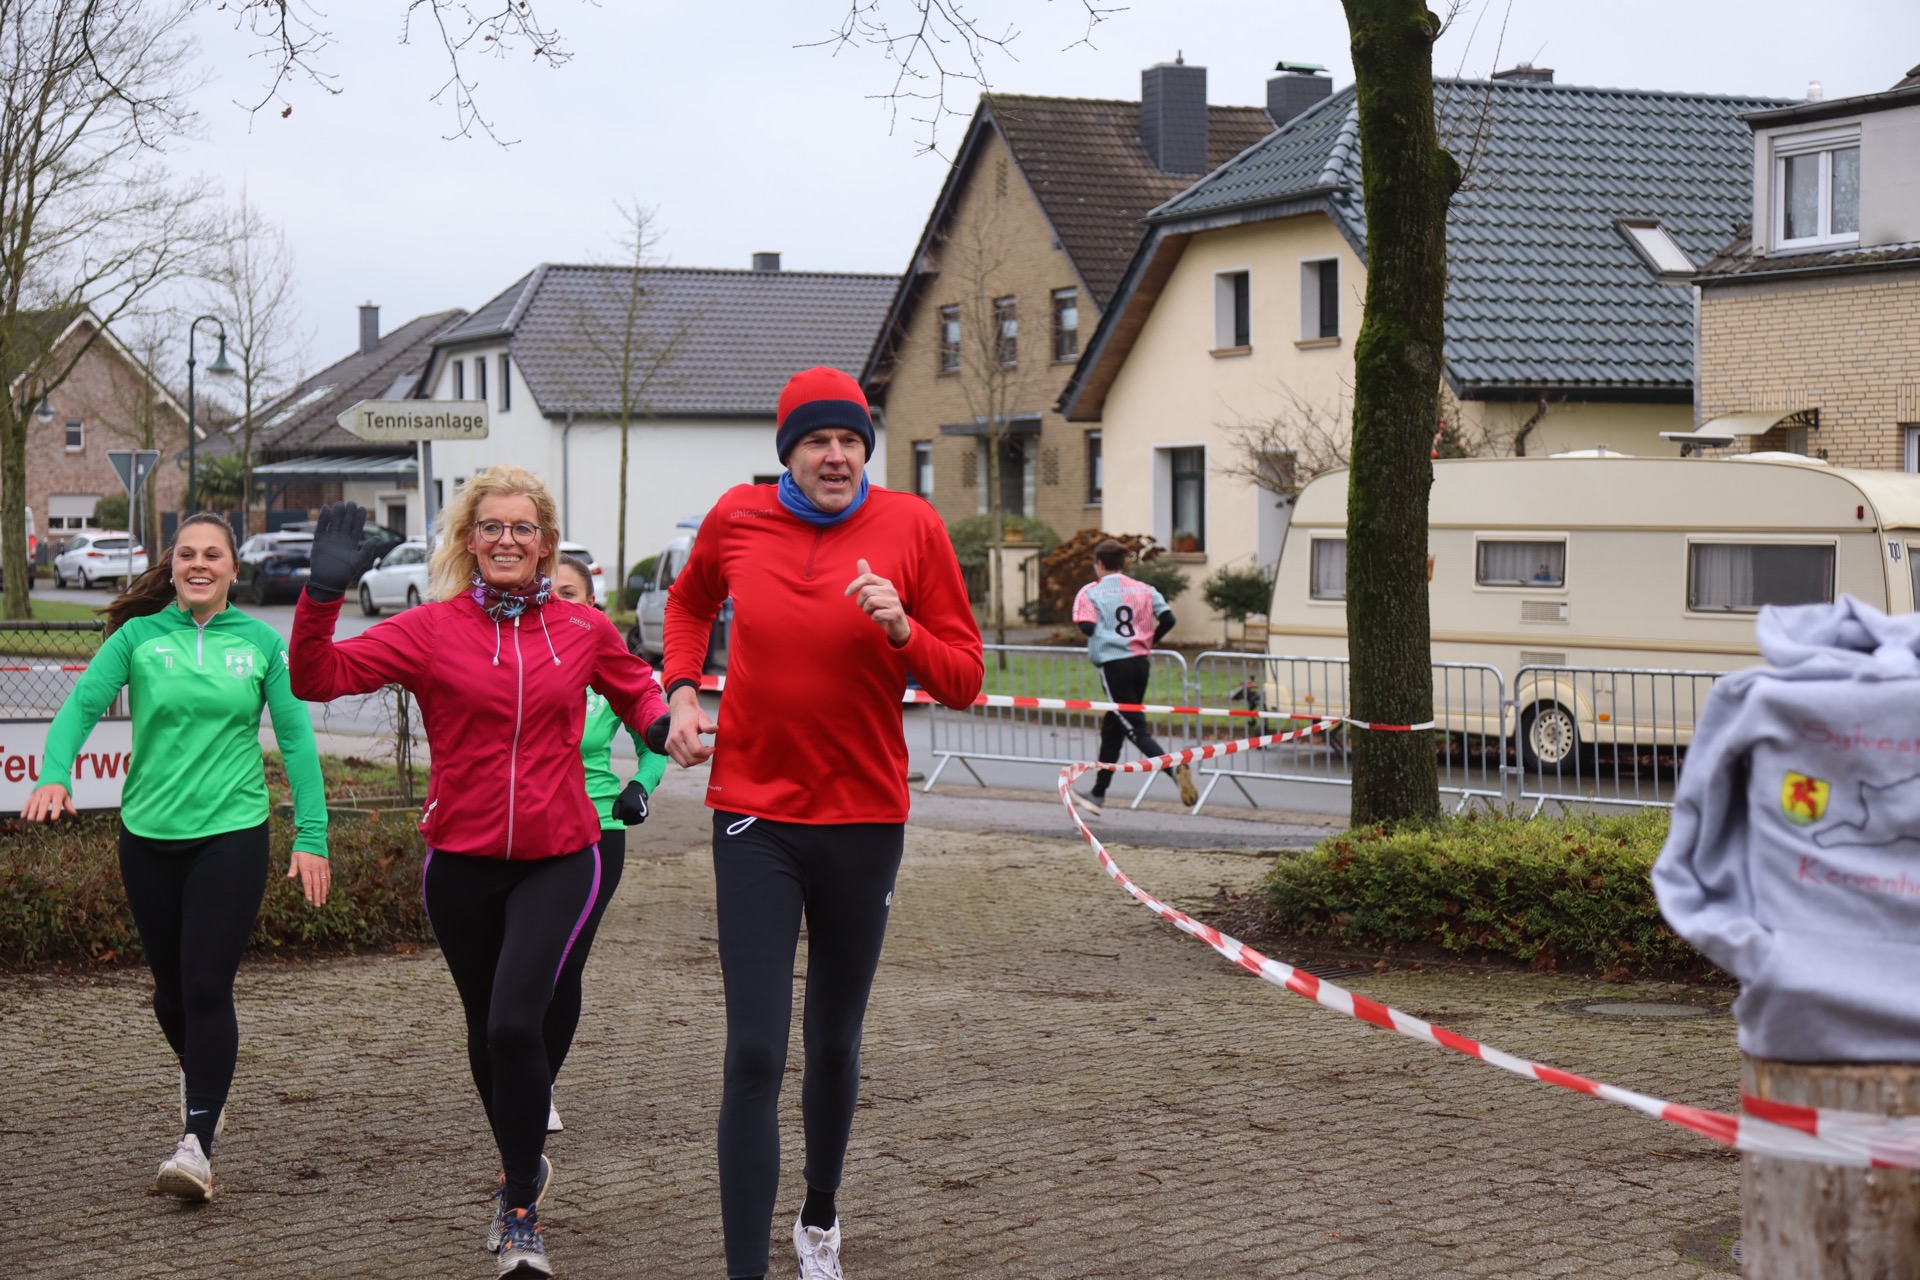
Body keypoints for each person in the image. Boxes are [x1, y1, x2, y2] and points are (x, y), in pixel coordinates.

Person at [289, 468, 670, 1280]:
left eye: (522, 528)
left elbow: (637, 689)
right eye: (491, 526)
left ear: (546, 544)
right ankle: (518, 1166)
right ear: (469, 540)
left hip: (561, 856)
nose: (506, 540)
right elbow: (314, 679)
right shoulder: (431, 629)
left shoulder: (581, 627)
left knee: (513, 1026)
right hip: (460, 864)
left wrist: (665, 726)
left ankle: (521, 1209)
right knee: (485, 1029)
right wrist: (321, 595)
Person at [661, 366, 982, 1280]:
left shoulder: (912, 527)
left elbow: (965, 676)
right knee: (754, 1050)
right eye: (817, 441)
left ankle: (819, 1217)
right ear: (788, 454)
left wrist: (903, 631)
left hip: (863, 818)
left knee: (833, 1043)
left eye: (850, 441)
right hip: (753, 815)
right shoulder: (737, 517)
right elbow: (688, 604)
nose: (836, 456)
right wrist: (680, 690)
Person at [20, 512, 332, 1202]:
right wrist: (54, 773)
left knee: (206, 986)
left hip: (232, 832)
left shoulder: (260, 643)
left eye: (212, 555)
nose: (199, 564)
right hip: (148, 834)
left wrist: (311, 834)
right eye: (187, 554)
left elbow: (296, 740)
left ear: (232, 569)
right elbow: (81, 706)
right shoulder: (138, 637)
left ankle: (197, 1145)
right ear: (174, 565)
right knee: (169, 992)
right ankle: (203, 1074)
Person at [542, 553, 668, 1134]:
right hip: (524, 832)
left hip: (596, 833)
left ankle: (540, 1085)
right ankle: (512, 1066)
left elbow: (653, 738)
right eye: (549, 591)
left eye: (570, 593)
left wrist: (640, 786)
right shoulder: (518, 658)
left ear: (591, 604)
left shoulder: (607, 667)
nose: (558, 602)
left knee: (563, 963)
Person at [1069, 539, 1198, 816]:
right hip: (1141, 663)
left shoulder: (1091, 592)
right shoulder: (1145, 589)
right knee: (1114, 727)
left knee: (1134, 728)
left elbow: (1087, 627)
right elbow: (1169, 619)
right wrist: (1149, 640)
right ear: (1123, 563)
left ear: (1099, 564)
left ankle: (1173, 769)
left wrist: (1104, 629)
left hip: (1115, 664)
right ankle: (1098, 793)